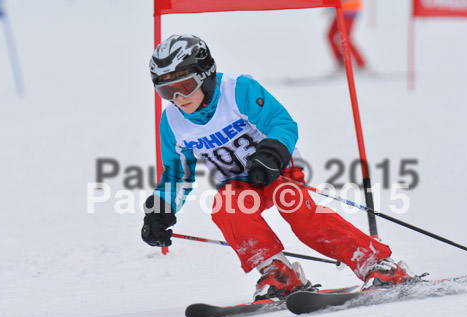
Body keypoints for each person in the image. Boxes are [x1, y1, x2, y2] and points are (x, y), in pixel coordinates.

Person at [141, 34, 413, 300]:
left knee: (300, 212)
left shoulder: (237, 91)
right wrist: (160, 212)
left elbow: (281, 123)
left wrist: (270, 155)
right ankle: (279, 273)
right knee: (227, 207)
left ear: (206, 74)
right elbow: (178, 174)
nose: (178, 97)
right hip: (239, 182)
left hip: (277, 169)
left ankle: (377, 263)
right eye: (167, 91)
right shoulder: (173, 122)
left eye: (186, 86)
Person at [327, 0, 367, 69]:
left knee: (346, 37)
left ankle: (361, 63)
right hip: (340, 10)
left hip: (349, 10)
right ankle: (341, 62)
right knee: (331, 35)